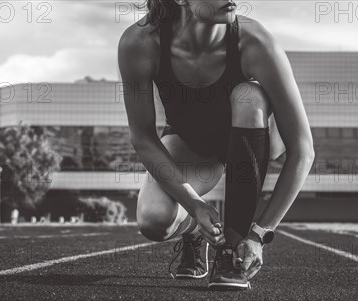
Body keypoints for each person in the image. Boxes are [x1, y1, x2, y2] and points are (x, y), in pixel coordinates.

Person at [118, 0, 314, 290]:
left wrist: (259, 233)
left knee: (250, 95)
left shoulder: (255, 42)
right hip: (194, 144)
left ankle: (231, 252)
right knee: (154, 220)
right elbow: (143, 137)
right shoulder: (141, 42)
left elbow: (302, 150)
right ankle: (195, 232)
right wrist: (194, 205)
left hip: (256, 141)